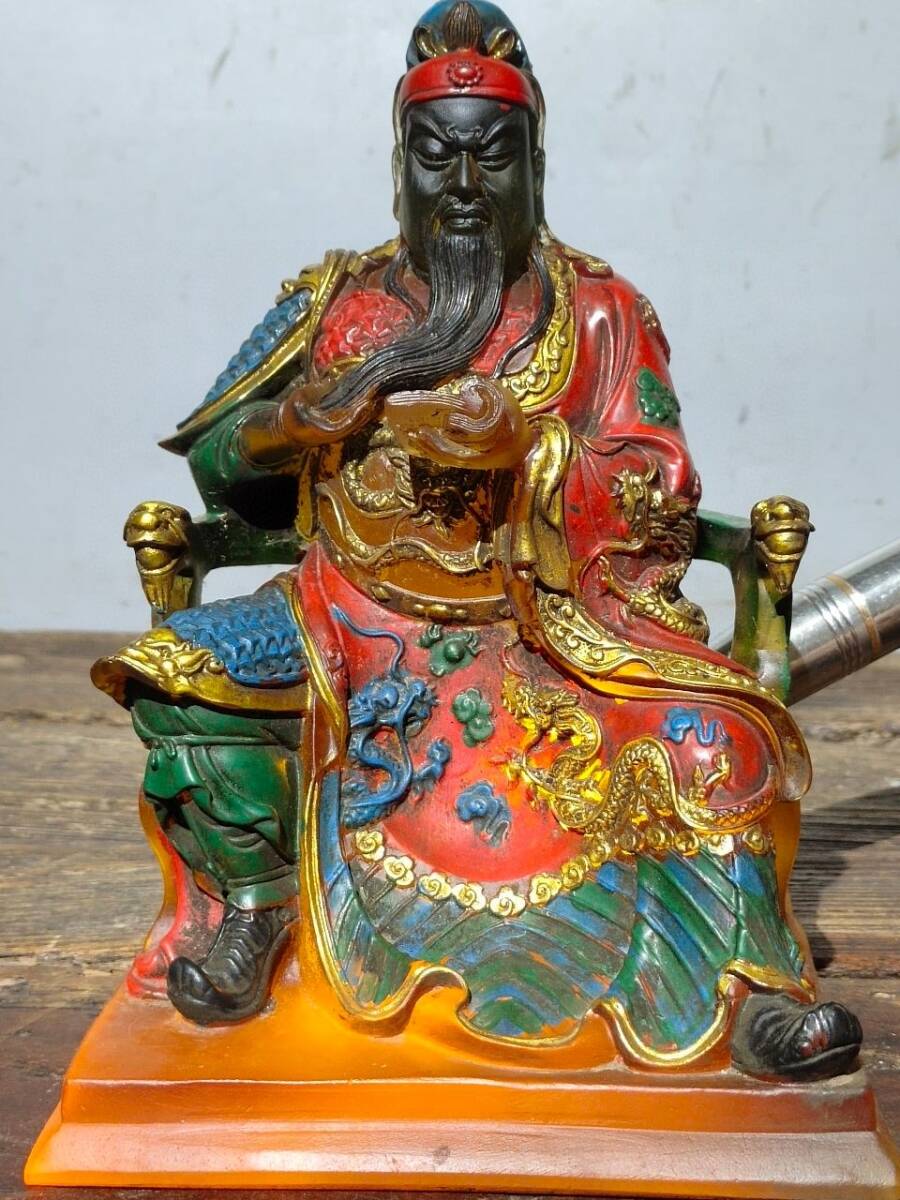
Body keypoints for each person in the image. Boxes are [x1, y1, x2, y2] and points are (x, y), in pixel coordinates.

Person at [93, 0, 861, 1079]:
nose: (461, 184)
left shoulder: (600, 313)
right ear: (397, 165)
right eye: (434, 154)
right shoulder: (333, 304)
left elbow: (660, 487)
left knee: (712, 742)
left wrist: (534, 452)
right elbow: (216, 461)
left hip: (541, 636)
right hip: (346, 621)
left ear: (535, 166)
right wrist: (297, 420)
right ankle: (259, 910)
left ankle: (747, 985)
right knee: (175, 676)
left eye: (492, 156)